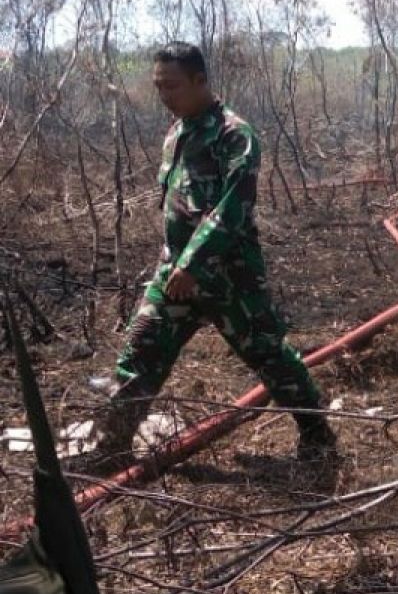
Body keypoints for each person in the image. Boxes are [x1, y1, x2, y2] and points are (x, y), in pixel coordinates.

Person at [84, 42, 337, 471]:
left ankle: (318, 439)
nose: (164, 95)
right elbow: (179, 204)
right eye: (158, 86)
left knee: (270, 357)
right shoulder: (176, 133)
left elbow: (232, 208)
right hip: (175, 274)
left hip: (228, 276)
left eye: (173, 85)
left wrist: (193, 263)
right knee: (140, 353)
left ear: (201, 81)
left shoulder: (234, 135)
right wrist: (175, 263)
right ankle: (112, 449)